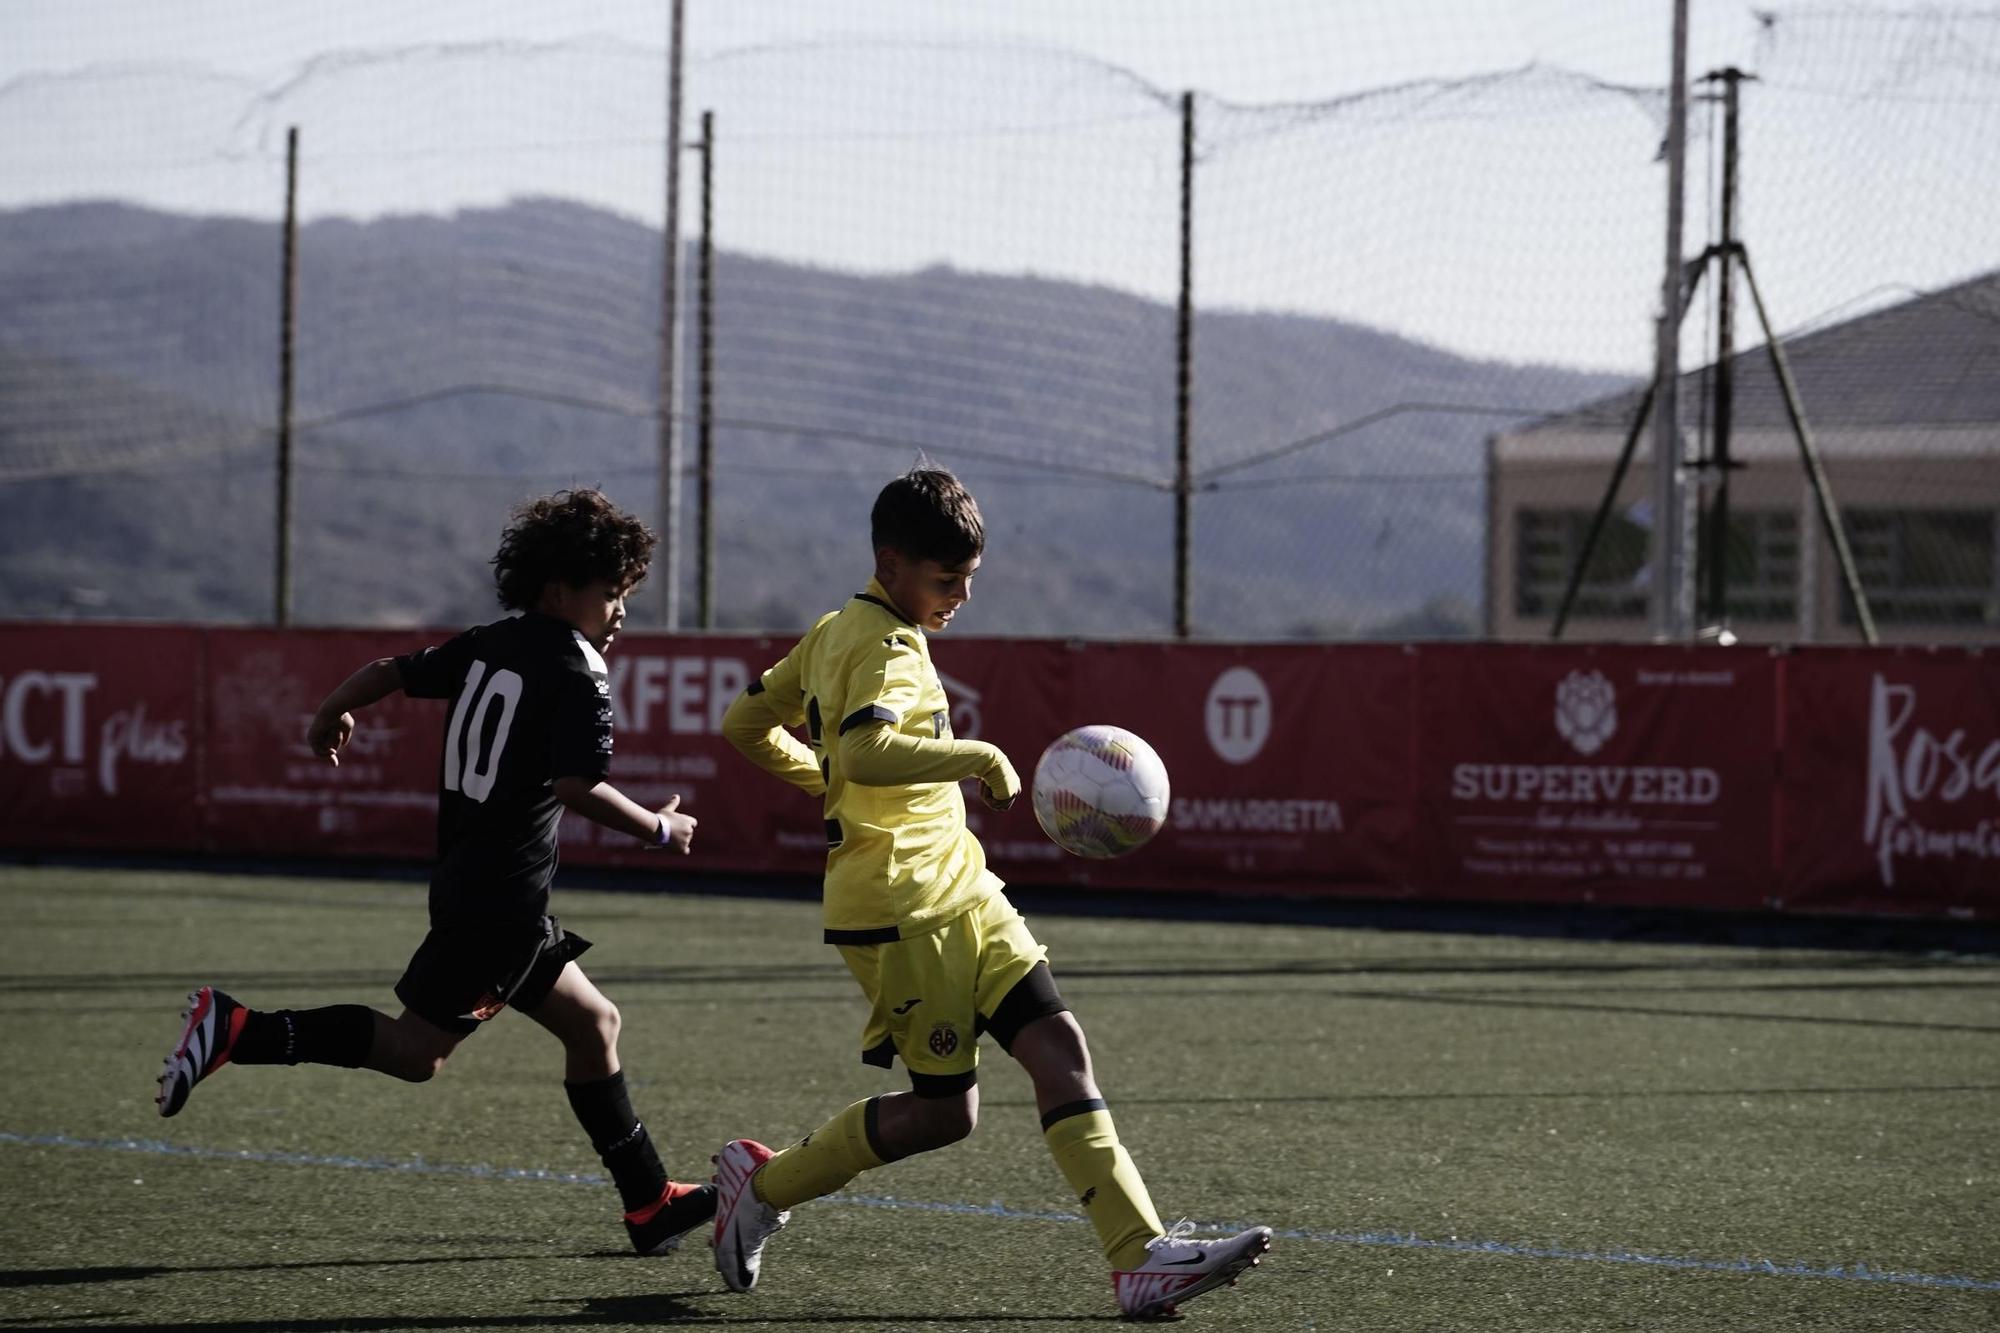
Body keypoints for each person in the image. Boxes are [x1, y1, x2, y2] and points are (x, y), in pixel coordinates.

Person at [714, 467, 1272, 1319]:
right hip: (903, 910)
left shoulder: (838, 628)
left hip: (965, 889)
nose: (963, 595)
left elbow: (745, 726)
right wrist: (974, 757)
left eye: (972, 577)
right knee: (945, 1115)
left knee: (1058, 1044)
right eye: (947, 579)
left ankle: (1139, 1256)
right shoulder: (884, 645)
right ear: (891, 562)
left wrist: (826, 781)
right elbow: (863, 753)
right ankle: (764, 1183)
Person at [153, 488, 717, 1256]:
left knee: (578, 1027)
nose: (621, 611)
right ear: (560, 590)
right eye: (612, 592)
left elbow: (392, 669)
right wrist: (661, 825)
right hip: (502, 906)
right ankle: (236, 1028)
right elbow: (576, 786)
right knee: (433, 1051)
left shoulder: (493, 640)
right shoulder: (577, 669)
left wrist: (331, 709)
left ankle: (648, 1202)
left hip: (470, 887)